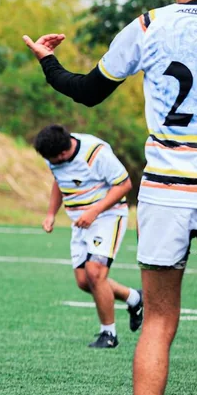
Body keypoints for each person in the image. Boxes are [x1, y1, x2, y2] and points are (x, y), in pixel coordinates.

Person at [24, 0, 197, 395]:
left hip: (166, 189)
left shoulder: (149, 25)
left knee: (161, 321)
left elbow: (87, 92)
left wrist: (48, 61)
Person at [34, 124, 142, 348]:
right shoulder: (53, 155)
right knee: (85, 282)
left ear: (63, 153)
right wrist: (51, 214)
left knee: (95, 273)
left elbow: (124, 185)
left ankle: (108, 334)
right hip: (80, 222)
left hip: (107, 217)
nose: (49, 163)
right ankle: (134, 298)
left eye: (52, 160)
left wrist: (94, 211)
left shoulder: (96, 152)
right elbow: (59, 181)